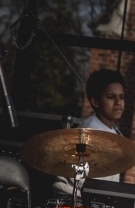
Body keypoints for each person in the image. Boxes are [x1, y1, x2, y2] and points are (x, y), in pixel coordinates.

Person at [53, 69, 128, 198]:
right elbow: (81, 180)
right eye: (111, 97)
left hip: (97, 203)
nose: (118, 102)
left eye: (121, 97)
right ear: (95, 102)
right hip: (78, 204)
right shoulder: (89, 132)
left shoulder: (113, 133)